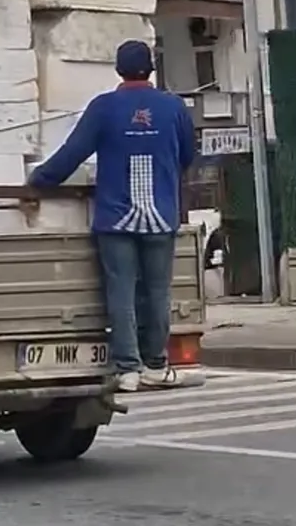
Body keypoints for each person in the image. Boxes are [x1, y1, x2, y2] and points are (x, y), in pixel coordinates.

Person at [27, 40, 195, 392]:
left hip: (116, 219)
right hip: (161, 216)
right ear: (151, 68)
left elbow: (72, 153)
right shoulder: (173, 107)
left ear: (119, 70)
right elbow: (188, 155)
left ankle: (128, 369)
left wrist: (39, 179)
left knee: (121, 292)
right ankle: (156, 365)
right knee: (158, 292)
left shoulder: (103, 108)